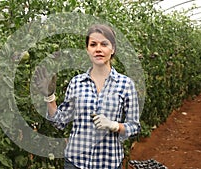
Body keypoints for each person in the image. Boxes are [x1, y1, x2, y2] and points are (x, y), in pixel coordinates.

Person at [34, 24, 141, 169]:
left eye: (104, 44)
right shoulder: (76, 82)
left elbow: (134, 127)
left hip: (108, 163)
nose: (98, 49)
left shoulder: (125, 84)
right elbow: (59, 121)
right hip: (75, 163)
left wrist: (114, 125)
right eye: (93, 44)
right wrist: (50, 97)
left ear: (113, 49)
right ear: (87, 50)